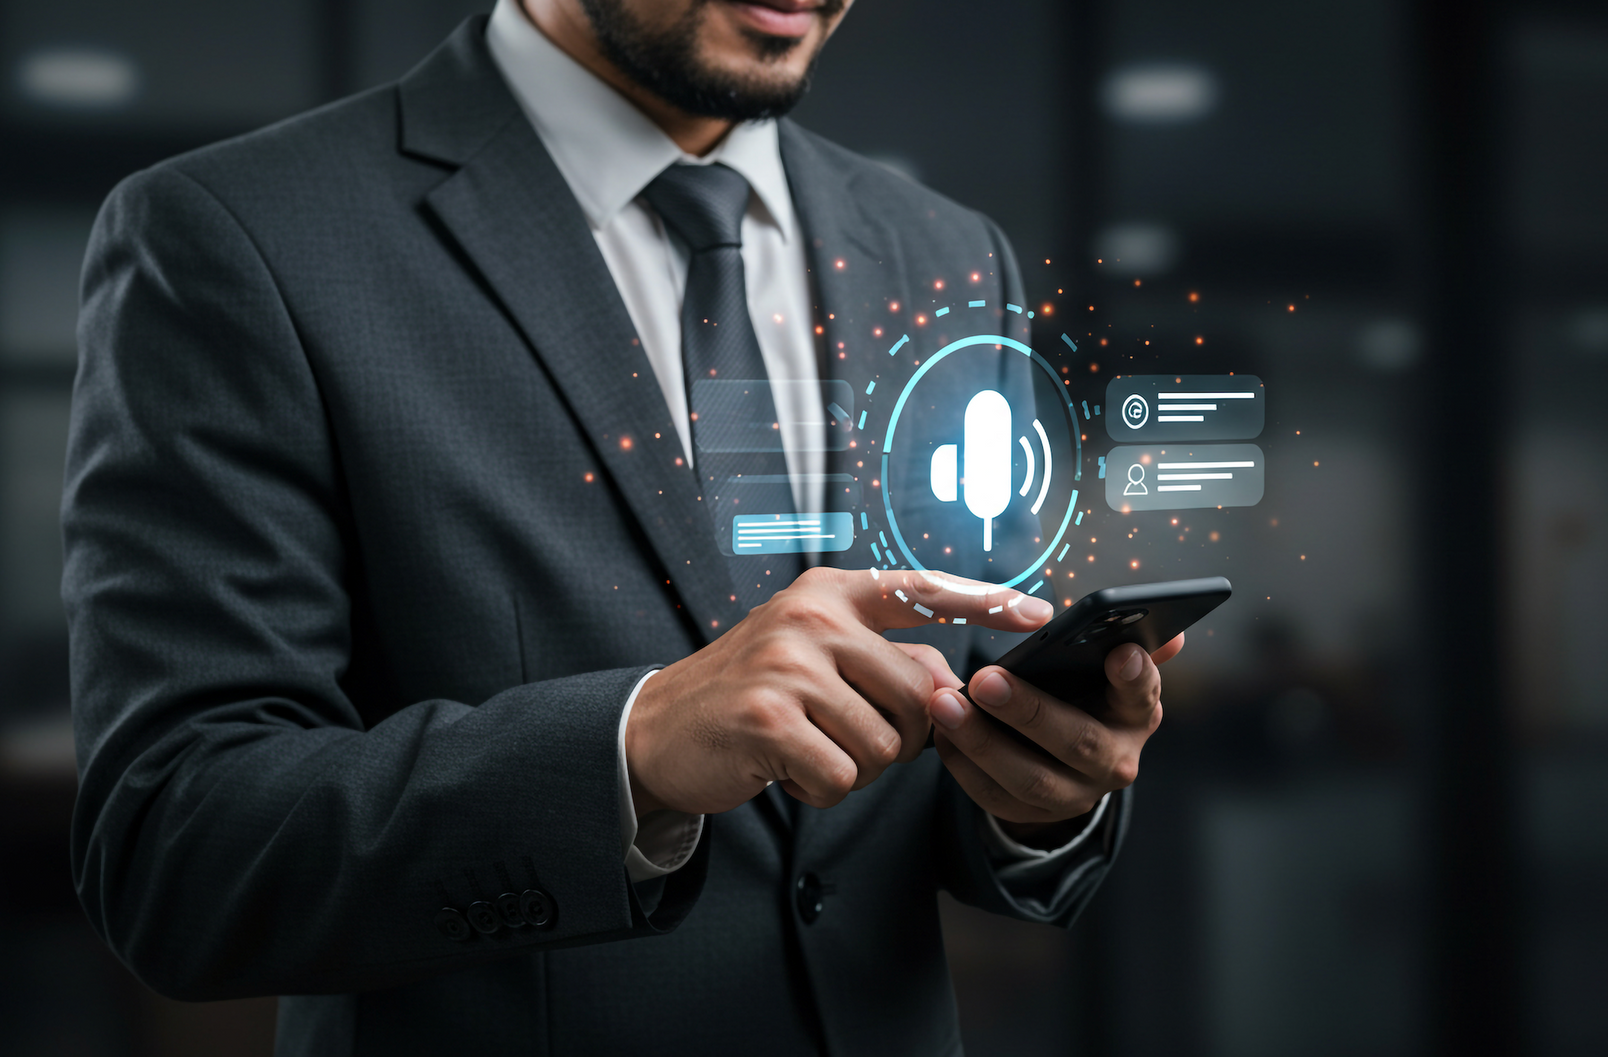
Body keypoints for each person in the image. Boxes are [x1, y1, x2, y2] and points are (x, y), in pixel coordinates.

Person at [65, 1, 1181, 1053]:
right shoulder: (241, 235)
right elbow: (177, 850)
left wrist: (1043, 793)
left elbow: (924, 775)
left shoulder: (945, 252)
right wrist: (634, 750)